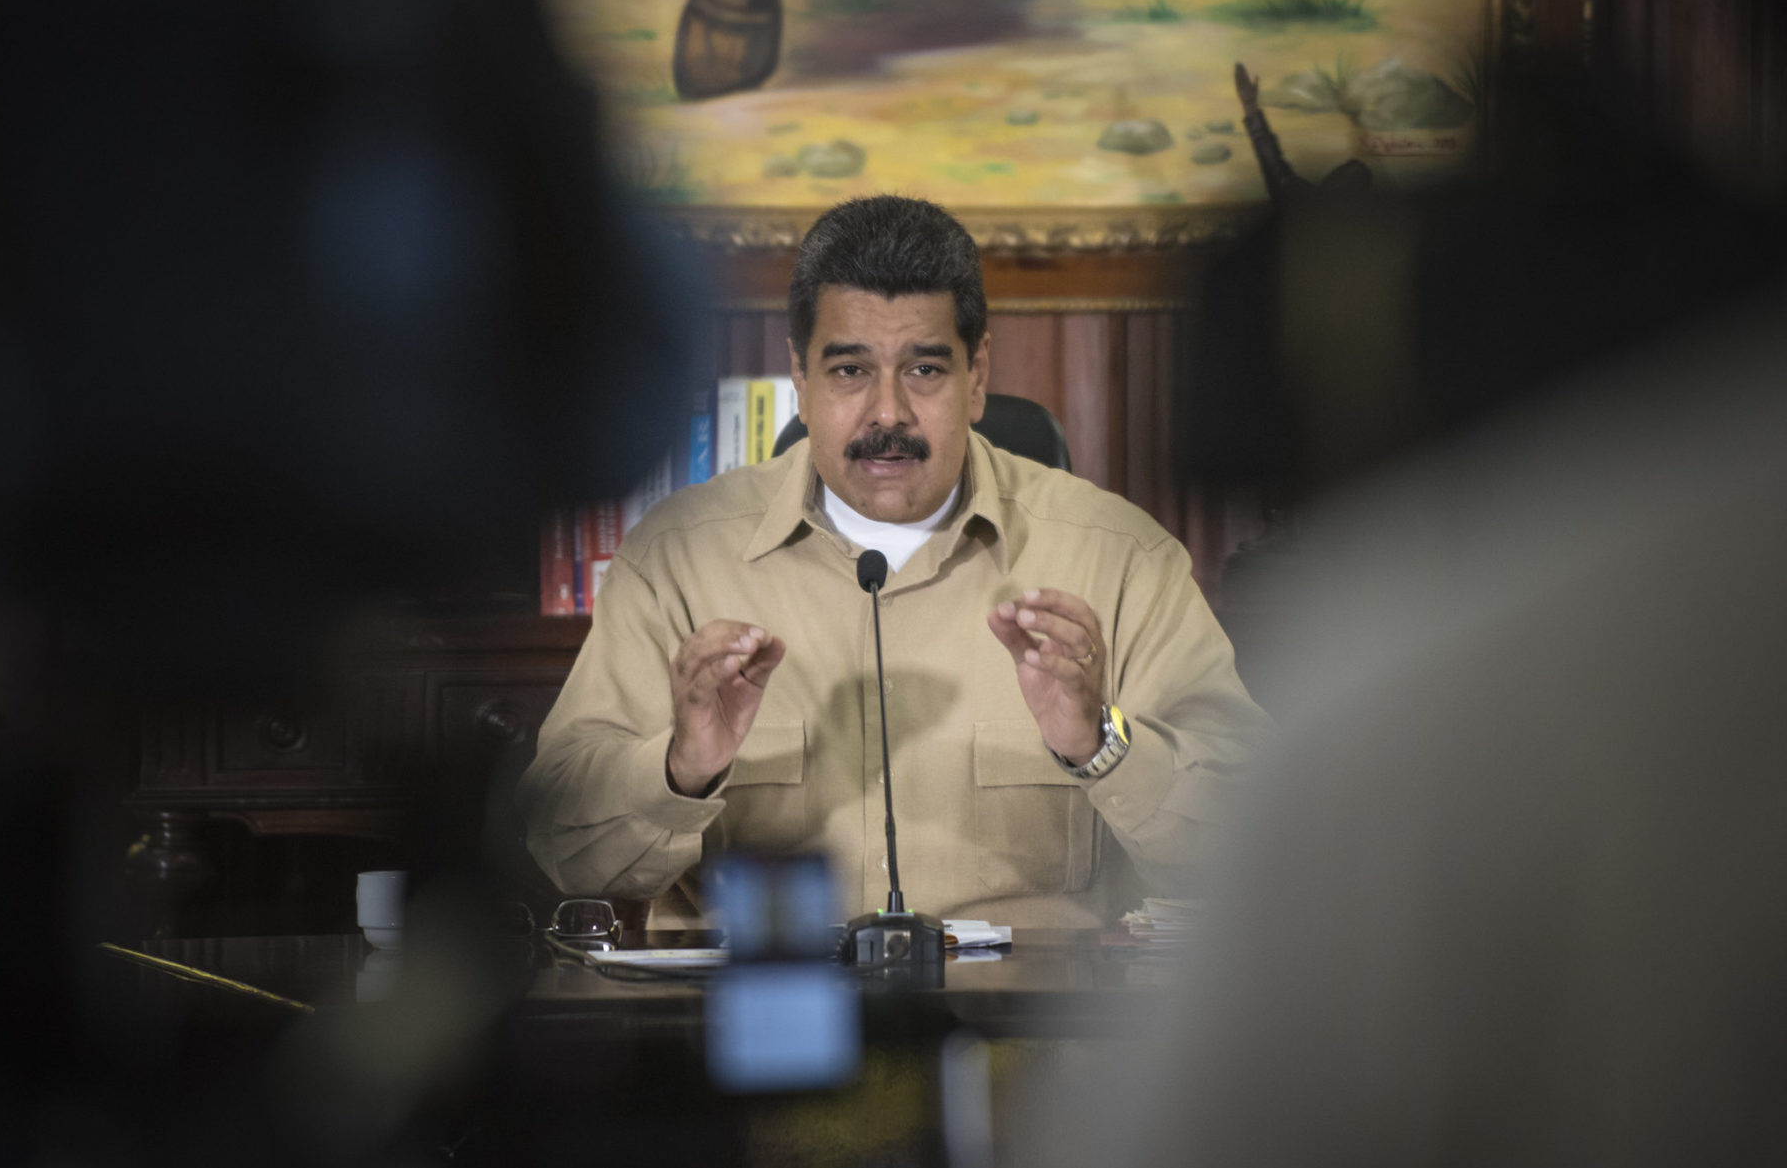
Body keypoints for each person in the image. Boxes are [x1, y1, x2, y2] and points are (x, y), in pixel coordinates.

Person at [517, 195, 1269, 928]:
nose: (888, 413)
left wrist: (1101, 743)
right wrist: (680, 768)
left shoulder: (1121, 559)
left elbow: (1257, 844)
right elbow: (563, 847)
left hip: (1030, 1005)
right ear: (800, 379)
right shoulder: (677, 558)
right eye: (849, 370)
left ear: (977, 376)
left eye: (924, 370)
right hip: (757, 1003)